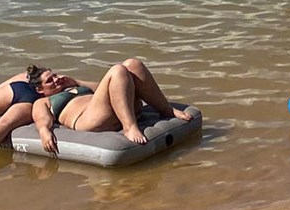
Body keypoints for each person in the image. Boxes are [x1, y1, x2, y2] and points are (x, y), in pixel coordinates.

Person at [31, 57, 193, 156]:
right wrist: (44, 131)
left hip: (109, 109)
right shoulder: (43, 101)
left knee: (133, 64)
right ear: (40, 89)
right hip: (89, 119)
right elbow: (41, 119)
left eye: (55, 75)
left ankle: (166, 109)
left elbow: (107, 86)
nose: (56, 79)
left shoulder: (75, 86)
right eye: (50, 81)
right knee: (117, 70)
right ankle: (129, 127)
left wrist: (76, 82)